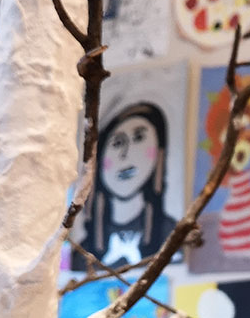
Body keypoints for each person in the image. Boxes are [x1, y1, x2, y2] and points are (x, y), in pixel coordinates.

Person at [74, 101, 176, 270]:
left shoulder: (172, 237)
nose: (126, 155)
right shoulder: (81, 253)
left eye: (139, 138)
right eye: (117, 143)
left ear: (158, 153)